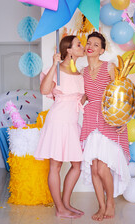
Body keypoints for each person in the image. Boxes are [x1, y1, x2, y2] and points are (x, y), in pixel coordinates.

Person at [80, 32, 131, 221]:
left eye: (96, 44)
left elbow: (122, 93)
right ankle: (101, 207)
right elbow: (82, 96)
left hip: (108, 119)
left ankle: (110, 203)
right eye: (88, 43)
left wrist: (123, 119)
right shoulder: (82, 72)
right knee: (94, 169)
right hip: (90, 121)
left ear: (102, 50)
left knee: (102, 168)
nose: (90, 46)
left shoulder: (109, 67)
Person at [34, 35, 85, 219]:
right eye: (78, 44)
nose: (83, 46)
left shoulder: (80, 73)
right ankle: (60, 208)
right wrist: (53, 64)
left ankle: (66, 203)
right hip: (57, 122)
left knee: (76, 165)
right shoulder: (55, 69)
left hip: (72, 123)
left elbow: (80, 99)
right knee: (55, 165)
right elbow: (44, 90)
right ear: (68, 50)